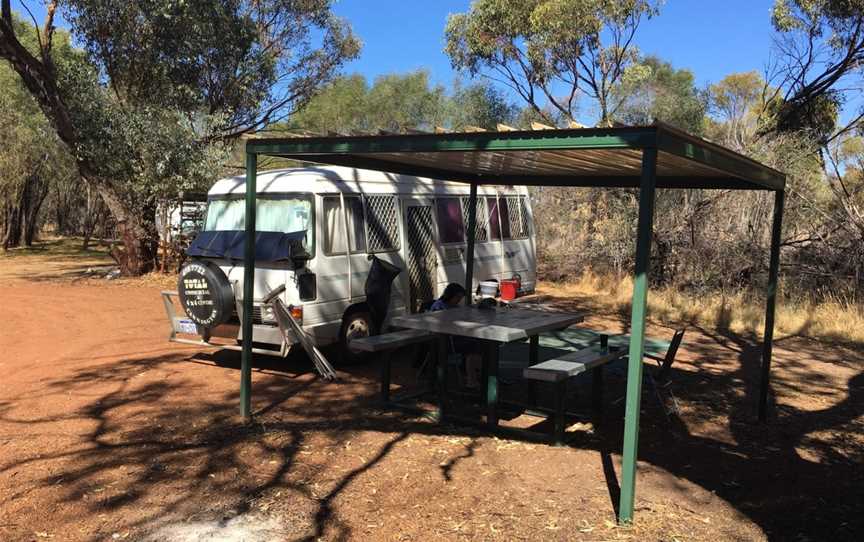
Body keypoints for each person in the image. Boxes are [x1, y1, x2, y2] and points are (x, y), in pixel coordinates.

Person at [429, 283, 483, 389]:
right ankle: (472, 380)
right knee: (473, 346)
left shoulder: (455, 306)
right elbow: (443, 327)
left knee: (481, 342)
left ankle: (478, 373)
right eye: (457, 297)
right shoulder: (439, 306)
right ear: (450, 295)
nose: (459, 300)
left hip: (456, 337)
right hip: (444, 341)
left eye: (460, 298)